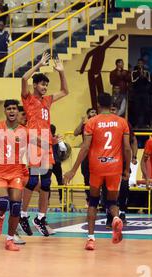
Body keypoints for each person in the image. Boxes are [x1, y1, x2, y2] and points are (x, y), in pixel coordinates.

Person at [64, 93, 132, 250]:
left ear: (98, 104)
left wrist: (73, 170)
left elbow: (85, 147)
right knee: (112, 202)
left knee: (93, 201)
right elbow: (127, 148)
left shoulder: (91, 122)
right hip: (115, 166)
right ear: (111, 104)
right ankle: (115, 218)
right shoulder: (122, 122)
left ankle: (91, 239)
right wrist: (126, 169)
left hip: (96, 167)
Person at [19, 52, 69, 237]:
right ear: (35, 85)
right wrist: (39, 64)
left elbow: (65, 92)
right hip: (34, 143)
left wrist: (61, 72)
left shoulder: (47, 100)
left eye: (47, 84)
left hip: (47, 145)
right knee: (33, 181)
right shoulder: (28, 99)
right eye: (42, 84)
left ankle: (40, 218)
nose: (45, 87)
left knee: (46, 183)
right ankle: (23, 215)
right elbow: (24, 77)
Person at [0, 100, 32, 251]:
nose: (12, 111)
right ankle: (0, 217)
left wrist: (50, 142)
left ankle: (9, 240)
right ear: (5, 111)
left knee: (15, 207)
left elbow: (35, 140)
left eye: (14, 108)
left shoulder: (24, 130)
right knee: (2, 203)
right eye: (9, 109)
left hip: (16, 172)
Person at [104, 101, 138, 228]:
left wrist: (134, 156)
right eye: (110, 109)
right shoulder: (101, 123)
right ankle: (109, 215)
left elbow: (133, 140)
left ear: (118, 111)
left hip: (122, 161)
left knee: (124, 187)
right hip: (106, 161)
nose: (112, 112)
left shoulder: (124, 123)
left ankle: (122, 213)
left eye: (114, 109)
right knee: (107, 190)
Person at [73, 107, 97, 202]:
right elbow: (75, 133)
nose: (94, 113)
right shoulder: (85, 125)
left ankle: (99, 199)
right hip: (86, 155)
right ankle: (88, 199)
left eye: (95, 112)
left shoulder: (99, 125)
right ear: (88, 115)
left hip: (96, 154)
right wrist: (82, 122)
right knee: (86, 176)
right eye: (92, 112)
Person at [131, 58, 151, 128]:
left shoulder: (147, 72)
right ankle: (136, 124)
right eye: (139, 63)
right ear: (137, 64)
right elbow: (133, 81)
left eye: (141, 63)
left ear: (143, 64)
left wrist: (145, 77)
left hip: (145, 93)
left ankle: (146, 123)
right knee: (137, 108)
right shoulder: (134, 72)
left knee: (146, 108)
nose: (140, 64)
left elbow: (149, 82)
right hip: (137, 93)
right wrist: (139, 76)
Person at [50, 124, 67, 203]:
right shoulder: (57, 139)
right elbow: (63, 148)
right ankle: (62, 199)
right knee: (60, 181)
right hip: (56, 162)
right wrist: (61, 157)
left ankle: (47, 200)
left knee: (46, 181)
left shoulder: (44, 138)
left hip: (48, 162)